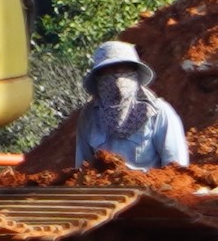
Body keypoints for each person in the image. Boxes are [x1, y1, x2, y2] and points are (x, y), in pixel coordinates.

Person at [61, 39, 191, 171]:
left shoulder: (158, 112)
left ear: (135, 73)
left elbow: (176, 169)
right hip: (103, 189)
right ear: (98, 77)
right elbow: (83, 168)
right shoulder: (89, 116)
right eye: (109, 72)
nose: (117, 79)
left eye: (123, 70)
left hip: (146, 189)